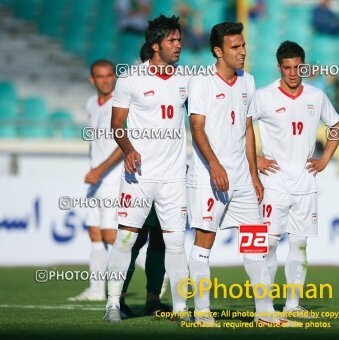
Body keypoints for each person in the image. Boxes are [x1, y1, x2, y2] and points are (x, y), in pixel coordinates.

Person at [187, 22, 290, 326]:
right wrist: (215, 166)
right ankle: (202, 312)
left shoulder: (248, 81)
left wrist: (254, 175)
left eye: (243, 45)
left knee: (256, 242)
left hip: (243, 178)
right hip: (210, 177)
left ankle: (265, 312)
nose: (242, 51)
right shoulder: (202, 82)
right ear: (218, 51)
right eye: (235, 47)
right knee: (204, 241)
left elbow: (247, 129)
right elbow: (196, 127)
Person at [104, 15, 190, 323]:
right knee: (126, 240)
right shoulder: (130, 79)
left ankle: (179, 308)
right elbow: (116, 124)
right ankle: (113, 304)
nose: (178, 45)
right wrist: (129, 149)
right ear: (155, 45)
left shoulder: (187, 79)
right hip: (139, 177)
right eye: (172, 41)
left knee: (175, 243)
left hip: (173, 178)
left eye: (179, 40)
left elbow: (206, 120)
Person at [250, 41, 339, 316]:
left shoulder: (316, 96)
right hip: (273, 184)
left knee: (299, 244)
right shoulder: (263, 96)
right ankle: (264, 307)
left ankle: (292, 305)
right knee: (267, 245)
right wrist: (255, 159)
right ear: (279, 67)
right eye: (287, 67)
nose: (293, 73)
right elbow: (240, 128)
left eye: (297, 67)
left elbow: (336, 125)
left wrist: (324, 160)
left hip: (305, 184)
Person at [68, 59, 123, 302]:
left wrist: (99, 170)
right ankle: (96, 290)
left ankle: (159, 270)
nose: (106, 80)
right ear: (92, 79)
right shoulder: (92, 103)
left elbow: (123, 146)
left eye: (110, 75)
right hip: (95, 178)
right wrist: (94, 171)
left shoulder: (120, 104)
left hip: (112, 177)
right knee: (95, 234)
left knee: (111, 235)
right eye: (100, 76)